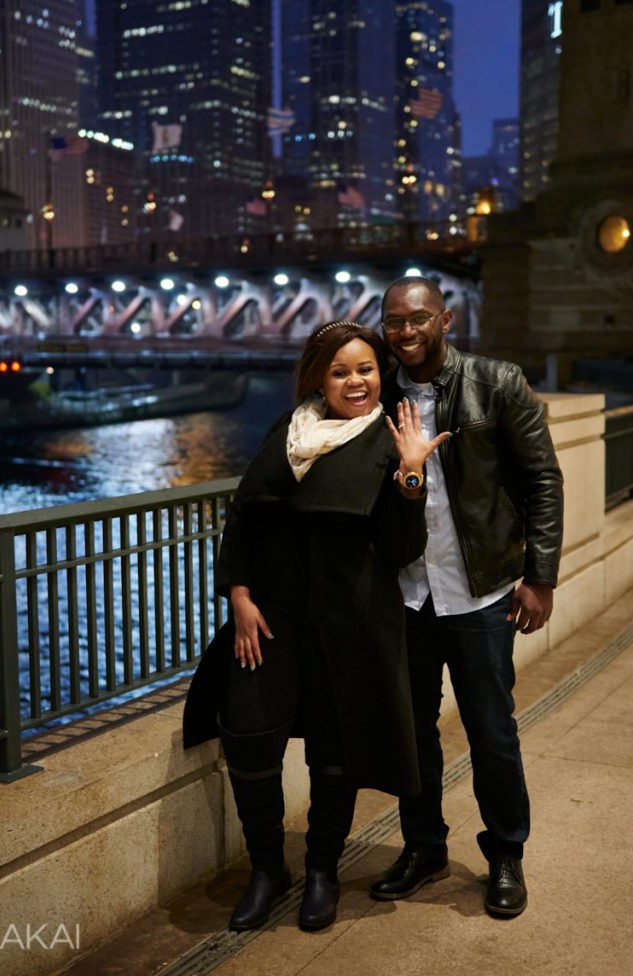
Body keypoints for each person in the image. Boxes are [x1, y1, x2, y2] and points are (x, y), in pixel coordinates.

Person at [183, 321, 449, 933]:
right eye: (340, 371)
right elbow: (245, 517)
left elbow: (403, 549)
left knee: (335, 751)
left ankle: (323, 870)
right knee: (250, 736)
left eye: (366, 369)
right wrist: (240, 595)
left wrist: (411, 475)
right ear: (317, 379)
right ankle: (268, 869)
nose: (356, 381)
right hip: (271, 616)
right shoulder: (288, 431)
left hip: (351, 618)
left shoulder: (389, 438)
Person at [369, 276, 564, 917]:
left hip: (479, 594)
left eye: (418, 319)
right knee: (413, 734)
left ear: (445, 321)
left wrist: (540, 577)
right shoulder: (375, 394)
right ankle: (423, 849)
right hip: (407, 595)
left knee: (492, 733)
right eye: (394, 321)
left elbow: (541, 478)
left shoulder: (497, 382)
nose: (405, 332)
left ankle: (506, 855)